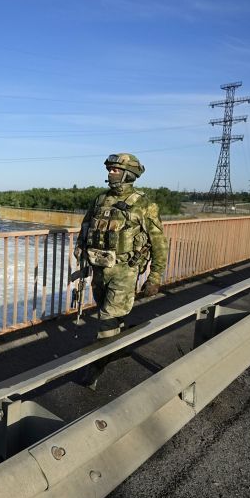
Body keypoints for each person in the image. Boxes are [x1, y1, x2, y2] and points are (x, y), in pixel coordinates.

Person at [75, 153, 168, 389]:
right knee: (110, 316)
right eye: (110, 170)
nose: (110, 173)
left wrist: (155, 276)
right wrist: (81, 251)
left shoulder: (144, 204)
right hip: (99, 269)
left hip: (125, 272)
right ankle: (119, 346)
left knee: (106, 320)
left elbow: (159, 243)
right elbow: (86, 227)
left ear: (129, 174)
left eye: (115, 170)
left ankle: (94, 369)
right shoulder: (100, 199)